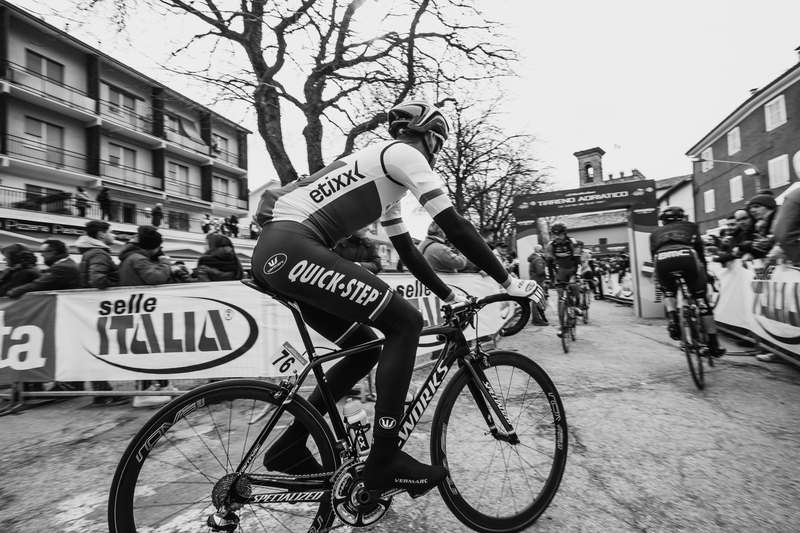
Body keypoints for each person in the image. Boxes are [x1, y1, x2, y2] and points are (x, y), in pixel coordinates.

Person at [251, 99, 545, 495]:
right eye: (438, 144)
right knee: (405, 323)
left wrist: (446, 293)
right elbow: (453, 226)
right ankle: (385, 459)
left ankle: (288, 446)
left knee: (364, 347)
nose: (437, 154)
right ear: (427, 136)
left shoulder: (383, 173)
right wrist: (509, 282)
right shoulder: (405, 154)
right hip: (293, 244)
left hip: (278, 251)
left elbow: (406, 251)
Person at [8, 239, 83, 393]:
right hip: (61, 314)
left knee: (66, 350)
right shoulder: (62, 265)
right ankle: (67, 385)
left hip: (65, 316)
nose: (42, 257)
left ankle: (69, 386)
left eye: (44, 253)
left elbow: (40, 285)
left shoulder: (63, 267)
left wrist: (14, 292)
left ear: (53, 253)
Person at [650, 206, 725, 358]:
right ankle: (713, 344)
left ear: (663, 220)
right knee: (701, 300)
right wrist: (706, 273)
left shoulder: (654, 234)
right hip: (687, 256)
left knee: (668, 291)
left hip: (662, 259)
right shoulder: (691, 227)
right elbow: (700, 252)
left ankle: (672, 318)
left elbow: (653, 257)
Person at [118, 225, 177, 406]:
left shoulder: (133, 257)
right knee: (147, 351)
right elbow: (156, 277)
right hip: (143, 310)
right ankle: (144, 392)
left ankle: (157, 386)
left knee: (152, 350)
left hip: (143, 309)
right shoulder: (138, 259)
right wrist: (165, 263)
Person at [76, 220, 128, 406]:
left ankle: (102, 392)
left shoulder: (92, 252)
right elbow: (98, 279)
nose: (114, 236)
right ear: (101, 235)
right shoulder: (98, 253)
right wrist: (119, 289)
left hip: (93, 308)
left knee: (97, 349)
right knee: (99, 350)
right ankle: (103, 394)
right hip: (98, 308)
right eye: (111, 232)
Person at [545, 222, 583, 337]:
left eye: (559, 234)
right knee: (560, 294)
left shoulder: (572, 242)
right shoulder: (551, 245)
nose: (556, 237)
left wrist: (578, 275)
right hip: (561, 270)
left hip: (572, 269)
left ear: (565, 234)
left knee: (572, 285)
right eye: (554, 235)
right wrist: (550, 279)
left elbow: (578, 262)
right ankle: (562, 327)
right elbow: (549, 265)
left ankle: (577, 305)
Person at [527, 244, 549, 326]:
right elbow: (540, 271)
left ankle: (536, 318)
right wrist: (547, 270)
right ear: (540, 250)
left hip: (535, 280)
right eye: (542, 250)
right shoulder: (538, 259)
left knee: (536, 300)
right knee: (537, 300)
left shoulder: (533, 258)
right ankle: (536, 319)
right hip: (538, 281)